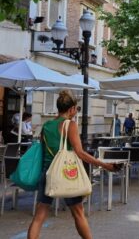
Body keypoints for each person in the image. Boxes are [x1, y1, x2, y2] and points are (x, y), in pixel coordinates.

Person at [28, 90, 116, 239]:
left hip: (47, 173)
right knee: (78, 213)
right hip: (66, 173)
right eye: (76, 108)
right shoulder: (70, 125)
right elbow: (80, 153)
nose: (76, 111)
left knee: (39, 216)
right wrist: (104, 165)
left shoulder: (47, 125)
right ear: (71, 109)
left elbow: (43, 150)